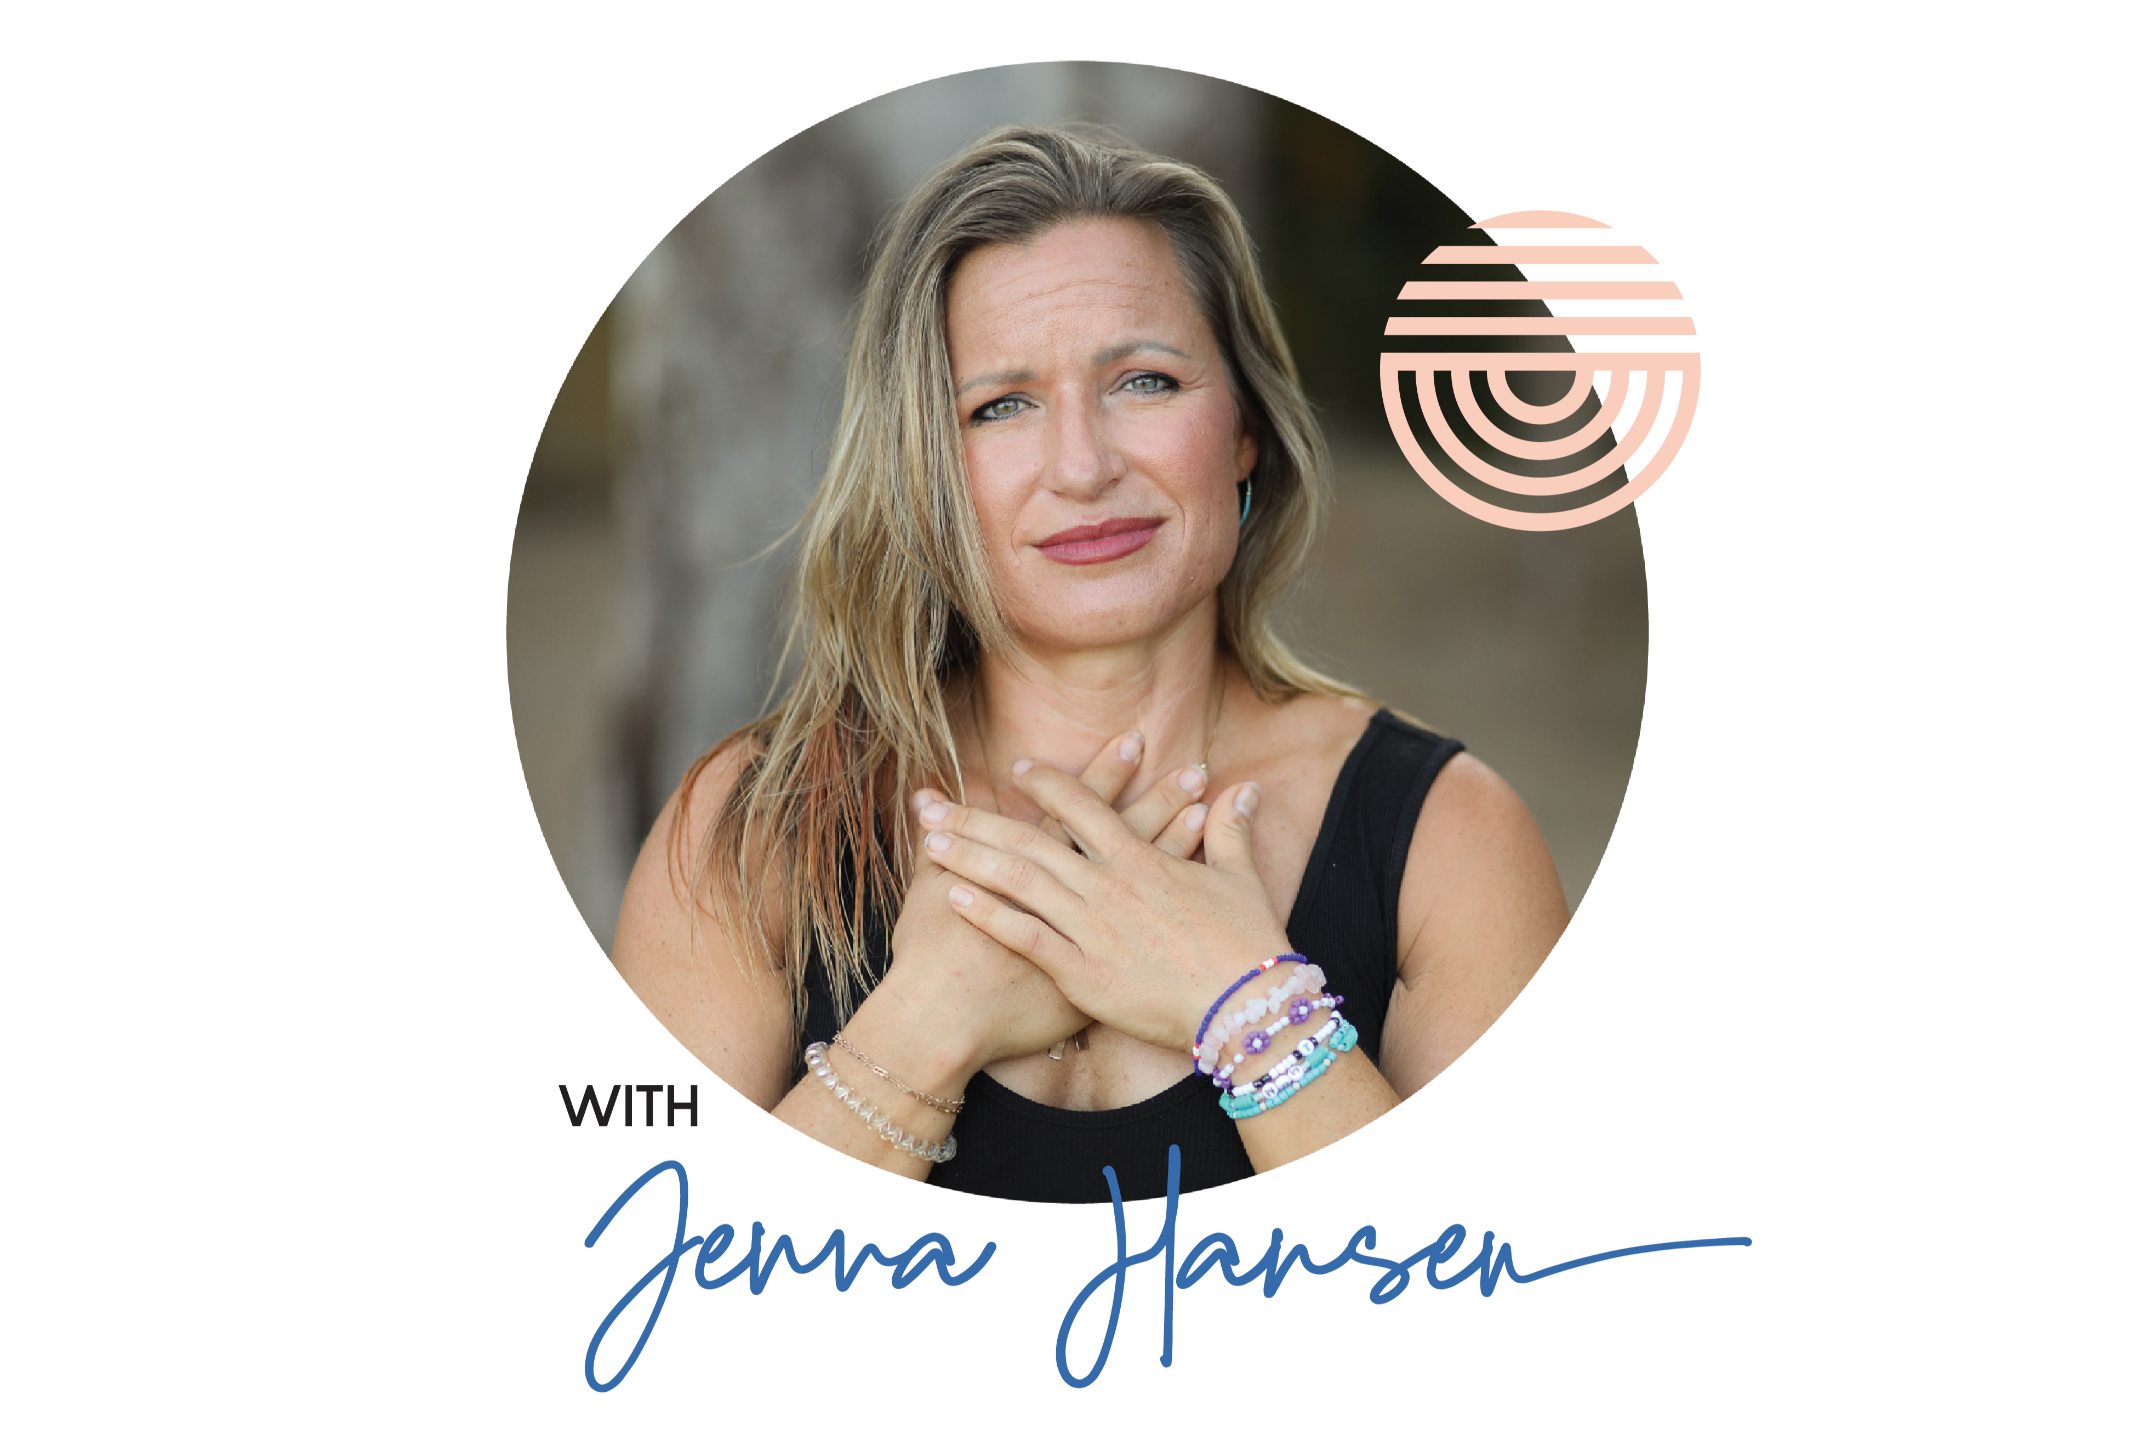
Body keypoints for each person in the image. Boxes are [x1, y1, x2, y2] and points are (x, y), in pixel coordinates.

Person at [612, 124, 1569, 1202]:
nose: (1081, 466)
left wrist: (1250, 1011)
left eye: (1145, 381)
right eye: (1000, 405)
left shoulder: (1449, 838)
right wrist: (922, 1028)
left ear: (1244, 428)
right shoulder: (750, 830)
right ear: (924, 467)